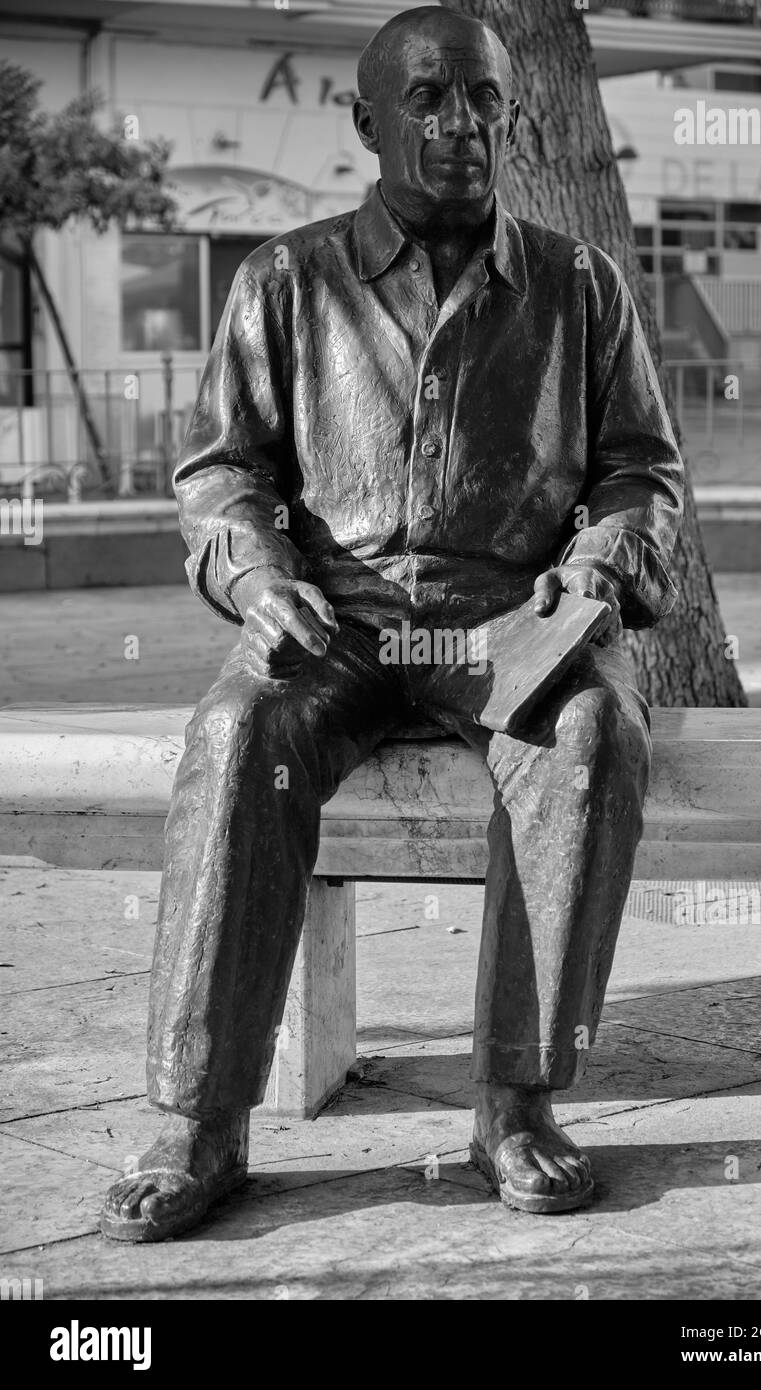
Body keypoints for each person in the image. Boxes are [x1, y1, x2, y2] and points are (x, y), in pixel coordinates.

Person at [101, 5, 683, 1242]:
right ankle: (202, 1121)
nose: (457, 124)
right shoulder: (281, 281)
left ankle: (515, 1104)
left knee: (589, 742)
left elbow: (641, 472)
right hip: (338, 619)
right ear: (366, 122)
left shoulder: (582, 289)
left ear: (512, 118)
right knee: (233, 735)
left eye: (479, 98)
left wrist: (592, 568)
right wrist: (258, 580)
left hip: (509, 618)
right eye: (424, 99)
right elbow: (219, 477)